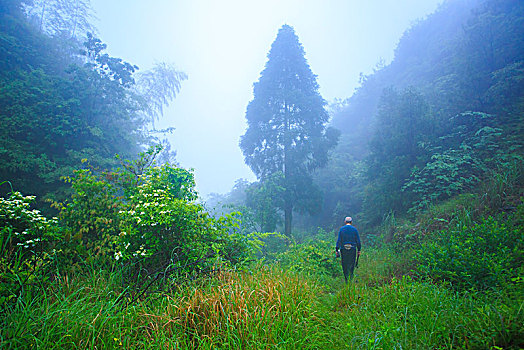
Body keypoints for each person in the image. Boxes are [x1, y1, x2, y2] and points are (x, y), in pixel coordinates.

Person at [336, 216, 361, 283]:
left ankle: (346, 280)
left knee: (345, 264)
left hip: (343, 249)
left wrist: (337, 249)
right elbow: (358, 241)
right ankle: (351, 279)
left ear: (345, 222)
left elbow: (339, 240)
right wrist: (359, 249)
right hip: (352, 249)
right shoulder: (354, 230)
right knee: (352, 264)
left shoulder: (341, 229)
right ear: (351, 222)